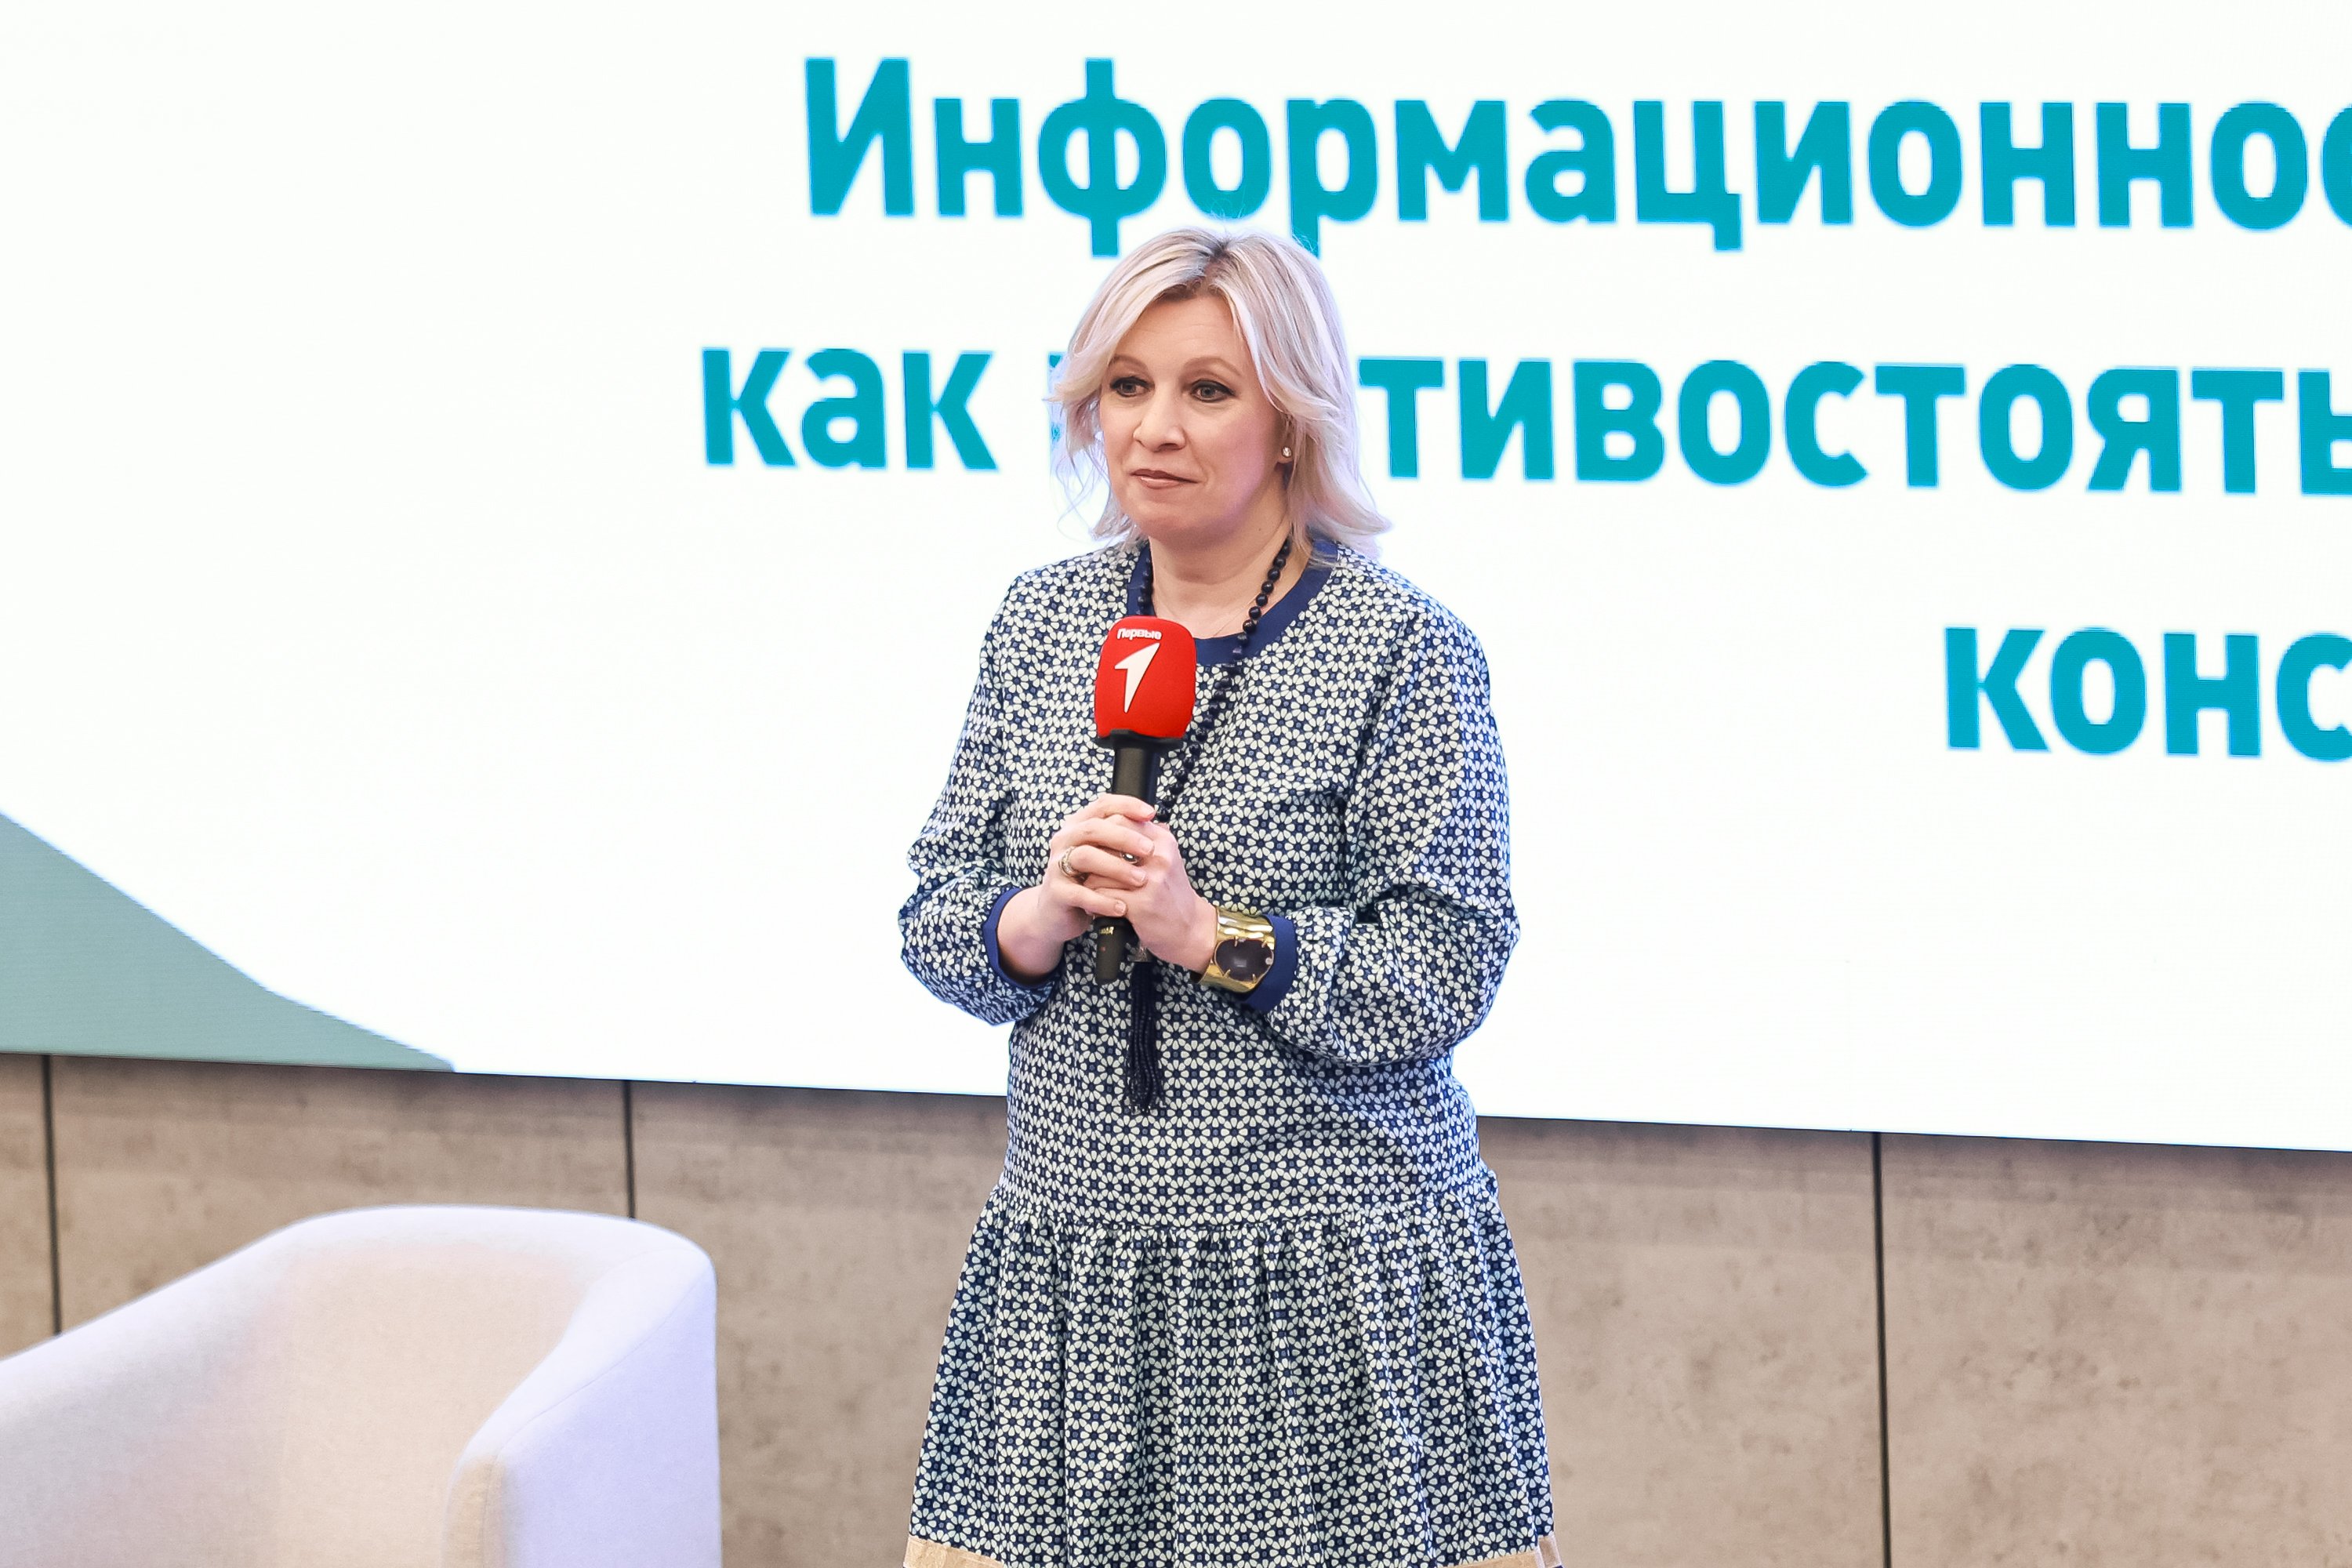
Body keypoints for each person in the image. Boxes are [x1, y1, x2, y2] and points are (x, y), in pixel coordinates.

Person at [897, 226, 1556, 1568]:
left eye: (1206, 390)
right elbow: (936, 912)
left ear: (1294, 421)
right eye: (1125, 387)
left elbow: (1448, 966)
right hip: (1076, 1283)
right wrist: (1035, 918)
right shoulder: (1041, 625)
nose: (1153, 428)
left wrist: (1211, 937)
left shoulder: (1403, 649)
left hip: (1330, 1288)